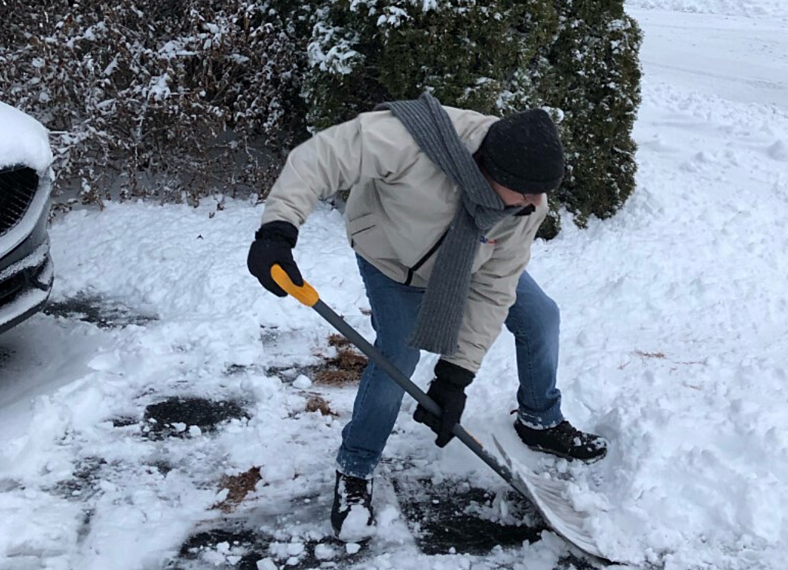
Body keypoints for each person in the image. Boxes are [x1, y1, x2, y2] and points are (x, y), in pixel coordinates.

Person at [247, 92, 607, 541]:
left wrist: (455, 376)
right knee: (397, 353)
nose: (535, 204)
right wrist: (278, 229)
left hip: (469, 259)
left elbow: (495, 287)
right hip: (392, 257)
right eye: (526, 193)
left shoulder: (524, 203)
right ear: (491, 171)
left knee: (540, 317)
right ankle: (356, 467)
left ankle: (539, 419)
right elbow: (320, 158)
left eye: (539, 193)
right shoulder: (410, 142)